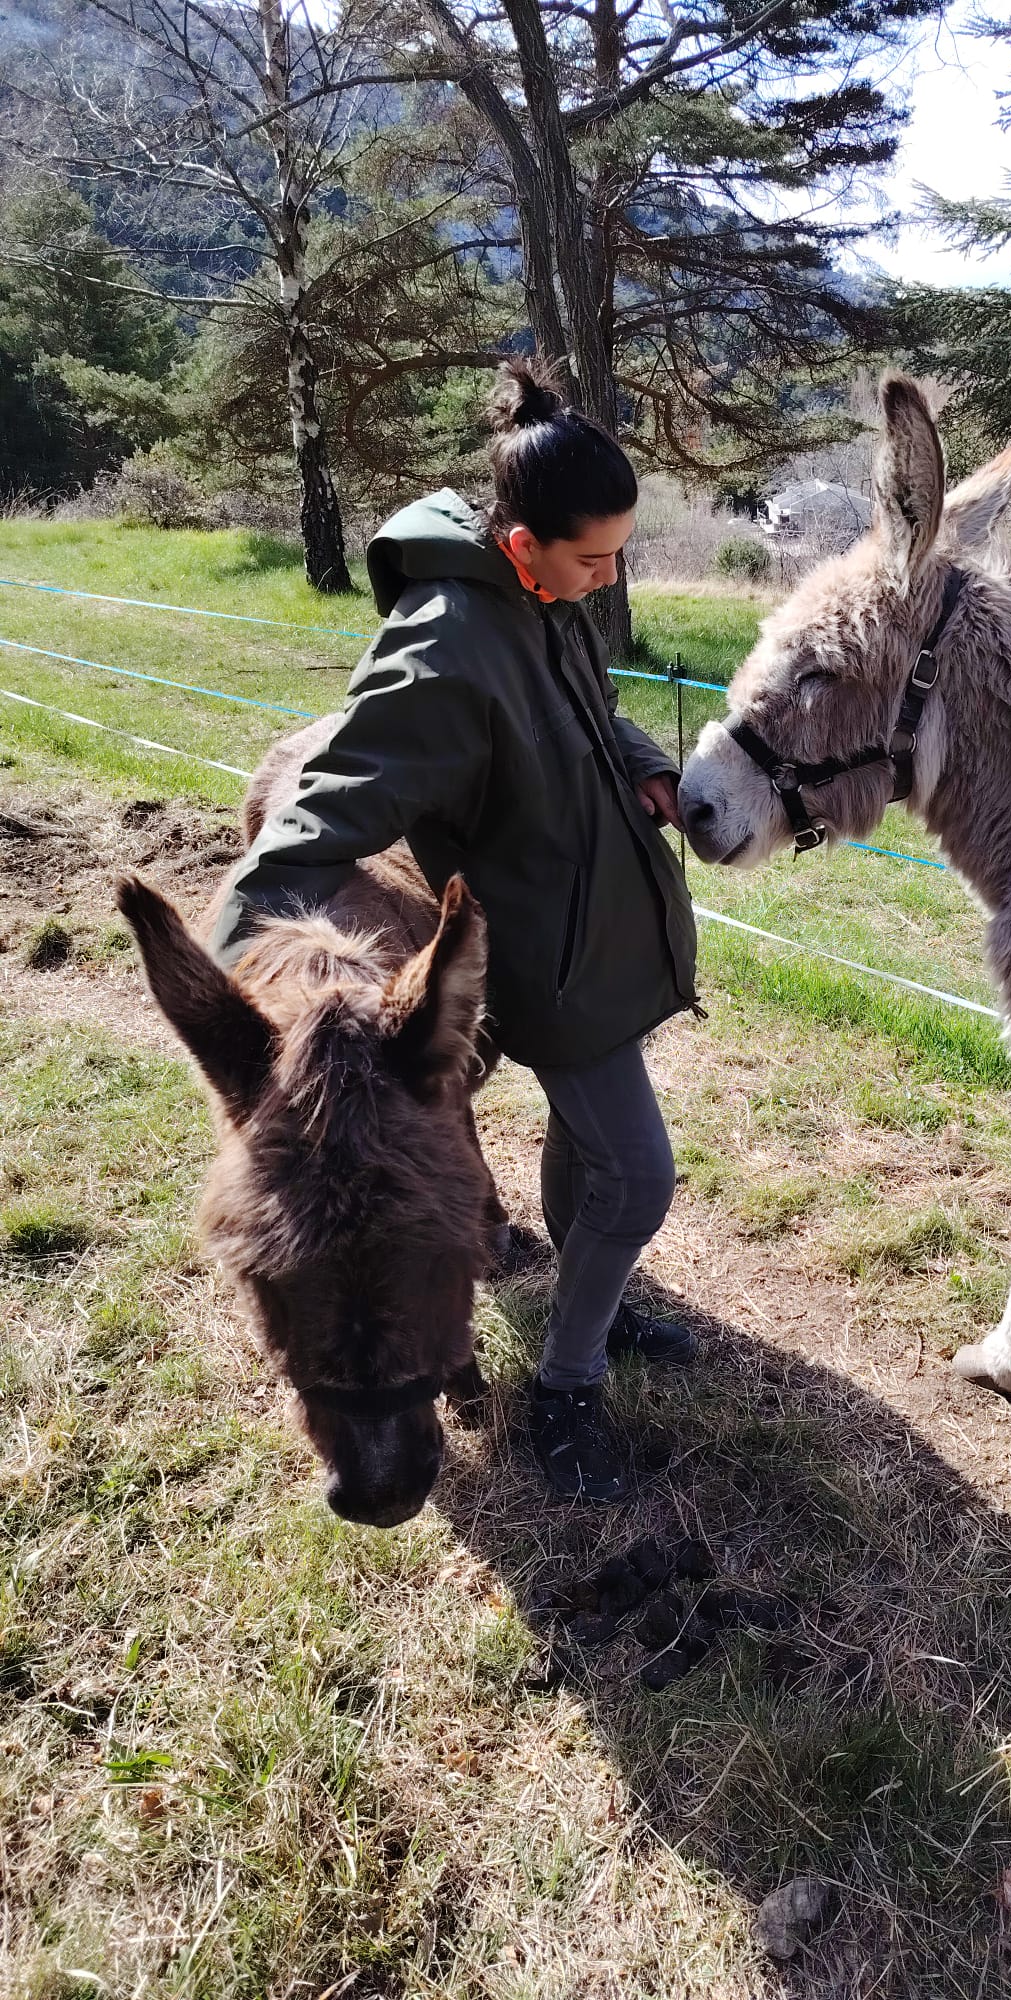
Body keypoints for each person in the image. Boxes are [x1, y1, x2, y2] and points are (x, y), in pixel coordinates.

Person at [211, 356, 699, 1504]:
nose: (609, 575)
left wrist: (652, 769)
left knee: (591, 1155)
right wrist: (237, 989)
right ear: (520, 544)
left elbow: (595, 714)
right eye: (593, 557)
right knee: (637, 1173)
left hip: (598, 934)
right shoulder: (444, 648)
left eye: (618, 551)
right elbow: (320, 810)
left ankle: (595, 1304)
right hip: (544, 955)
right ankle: (567, 1389)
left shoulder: (548, 602)